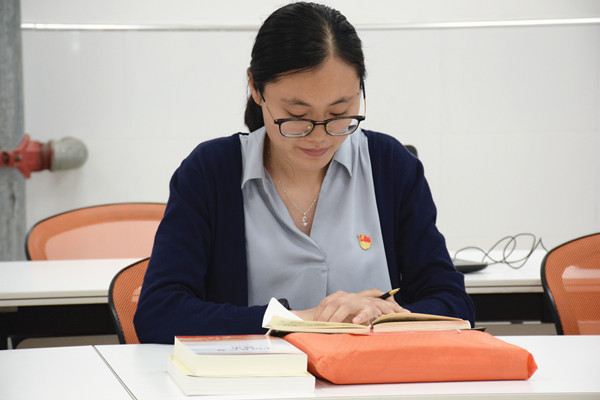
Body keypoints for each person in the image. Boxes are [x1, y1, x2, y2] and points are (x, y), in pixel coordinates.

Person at [134, 1, 475, 344]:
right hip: (255, 375)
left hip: (369, 374)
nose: (320, 136)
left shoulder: (391, 165)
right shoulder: (210, 172)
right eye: (297, 115)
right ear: (256, 89)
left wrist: (383, 316)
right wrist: (298, 320)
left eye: (339, 112)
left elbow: (453, 303)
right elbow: (159, 313)